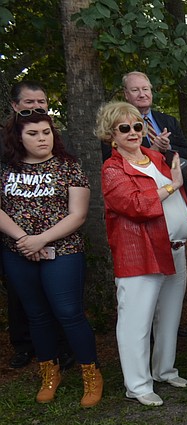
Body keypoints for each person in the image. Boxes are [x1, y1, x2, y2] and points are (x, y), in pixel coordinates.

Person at [1, 108, 102, 407]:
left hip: (63, 252)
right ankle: (49, 372)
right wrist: (24, 241)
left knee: (69, 312)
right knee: (36, 314)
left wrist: (41, 240)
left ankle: (91, 374)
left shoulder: (69, 167)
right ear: (18, 137)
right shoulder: (7, 169)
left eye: (46, 132)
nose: (41, 138)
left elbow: (78, 214)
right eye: (33, 133)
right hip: (19, 252)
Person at [97, 101, 187, 407]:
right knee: (136, 321)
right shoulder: (112, 169)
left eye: (137, 126)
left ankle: (164, 369)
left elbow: (177, 189)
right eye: (125, 128)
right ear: (112, 134)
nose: (133, 132)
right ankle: (137, 384)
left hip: (174, 248)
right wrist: (171, 187)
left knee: (170, 315)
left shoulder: (154, 156)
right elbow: (135, 205)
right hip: (141, 253)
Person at [2, 81, 73, 371]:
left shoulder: (54, 138)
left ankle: (63, 348)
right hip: (13, 238)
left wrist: (41, 239)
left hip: (56, 239)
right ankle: (24, 345)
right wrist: (23, 240)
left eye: (41, 101)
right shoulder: (5, 143)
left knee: (61, 298)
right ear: (15, 106)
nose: (36, 107)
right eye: (29, 103)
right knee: (22, 297)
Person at [105, 71, 187, 164]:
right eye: (135, 90)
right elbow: (110, 159)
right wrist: (154, 149)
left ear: (151, 92)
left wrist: (168, 147)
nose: (142, 94)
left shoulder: (169, 121)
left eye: (145, 89)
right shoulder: (117, 123)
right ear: (126, 94)